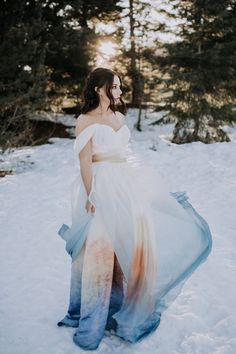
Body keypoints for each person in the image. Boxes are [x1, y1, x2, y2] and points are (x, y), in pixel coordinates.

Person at [57, 67, 212, 350]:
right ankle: (95, 314)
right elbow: (84, 162)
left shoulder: (118, 115)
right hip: (100, 185)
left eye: (119, 87)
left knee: (135, 243)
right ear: (98, 89)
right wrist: (91, 194)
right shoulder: (85, 120)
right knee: (100, 249)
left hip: (125, 183)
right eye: (114, 87)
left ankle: (129, 306)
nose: (118, 92)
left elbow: (123, 155)